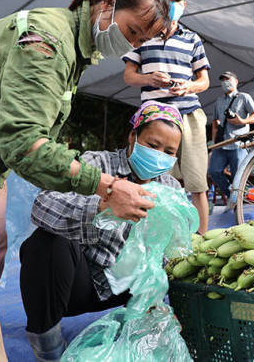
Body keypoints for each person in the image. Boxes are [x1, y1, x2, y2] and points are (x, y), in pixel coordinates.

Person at [0, 0, 170, 361]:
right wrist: (105, 190)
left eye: (141, 41)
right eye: (132, 31)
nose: (131, 44)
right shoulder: (48, 42)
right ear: (107, 4)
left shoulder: (75, 54)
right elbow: (24, 142)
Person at [19, 101, 183, 361]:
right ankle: (49, 350)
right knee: (46, 242)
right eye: (153, 145)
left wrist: (163, 306)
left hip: (132, 289)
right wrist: (103, 204)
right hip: (80, 283)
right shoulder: (96, 165)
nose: (160, 155)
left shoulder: (171, 189)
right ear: (133, 136)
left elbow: (174, 251)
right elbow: (44, 206)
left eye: (169, 151)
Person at [122, 0, 211, 233]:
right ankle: (156, 240)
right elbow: (129, 76)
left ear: (184, 5)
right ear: (159, 1)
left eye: (178, 0)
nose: (173, 4)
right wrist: (148, 78)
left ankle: (203, 242)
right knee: (154, 182)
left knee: (197, 183)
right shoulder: (143, 35)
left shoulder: (193, 39)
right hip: (154, 117)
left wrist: (188, 86)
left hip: (189, 115)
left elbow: (203, 81)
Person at [209, 71, 254, 198]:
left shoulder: (244, 97)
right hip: (222, 143)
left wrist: (242, 121)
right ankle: (231, 196)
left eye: (228, 79)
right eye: (223, 80)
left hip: (238, 143)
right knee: (214, 171)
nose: (225, 82)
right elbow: (215, 120)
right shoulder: (219, 101)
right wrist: (215, 138)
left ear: (236, 81)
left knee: (238, 175)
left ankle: (240, 200)